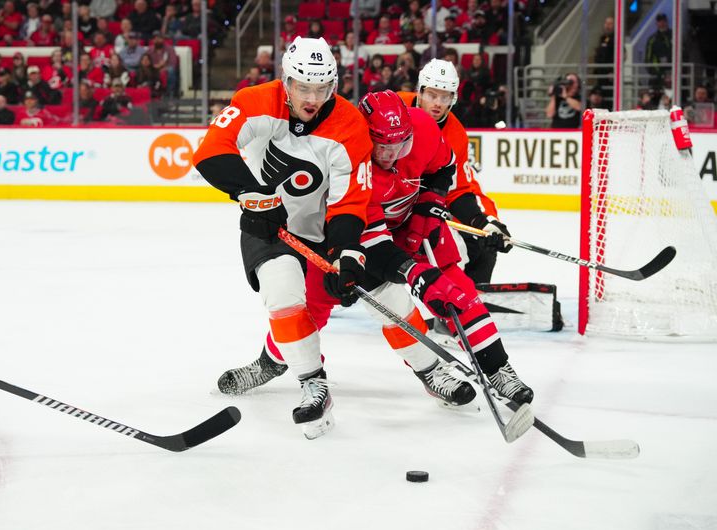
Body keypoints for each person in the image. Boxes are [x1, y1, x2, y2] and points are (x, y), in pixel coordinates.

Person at [215, 90, 534, 411]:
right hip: (366, 241)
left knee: (458, 292)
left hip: (418, 229)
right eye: (383, 145)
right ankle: (272, 361)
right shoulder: (354, 162)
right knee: (309, 313)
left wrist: (438, 208)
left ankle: (489, 369)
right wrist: (411, 272)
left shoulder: (423, 128)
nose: (393, 154)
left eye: (400, 144)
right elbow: (372, 240)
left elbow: (444, 170)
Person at [193, 37, 372, 439]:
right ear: (286, 81)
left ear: (334, 85)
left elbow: (351, 201)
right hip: (265, 223)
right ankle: (314, 382)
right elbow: (210, 150)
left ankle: (270, 363)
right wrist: (252, 195)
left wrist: (346, 251)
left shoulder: (350, 126)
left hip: (319, 233)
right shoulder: (256, 101)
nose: (312, 98)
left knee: (313, 314)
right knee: (283, 295)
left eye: (322, 88)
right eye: (303, 87)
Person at [398, 59, 509, 285]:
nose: (438, 103)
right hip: (385, 197)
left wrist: (484, 222)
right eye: (431, 95)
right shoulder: (395, 106)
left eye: (445, 96)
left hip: (423, 204)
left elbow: (457, 191)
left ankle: (466, 305)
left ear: (453, 98)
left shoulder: (455, 134)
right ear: (419, 91)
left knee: (473, 249)